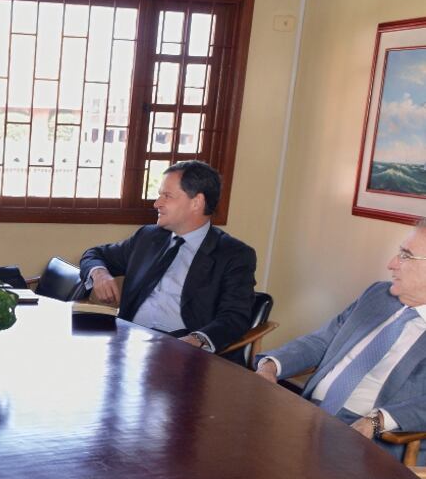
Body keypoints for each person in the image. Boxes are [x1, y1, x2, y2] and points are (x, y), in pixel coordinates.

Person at [256, 221, 426, 463]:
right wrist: (271, 365)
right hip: (309, 413)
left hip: (372, 440)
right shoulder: (378, 295)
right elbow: (323, 340)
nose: (391, 264)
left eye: (405, 256)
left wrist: (376, 420)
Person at [79, 160, 257, 353]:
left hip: (184, 352)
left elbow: (235, 316)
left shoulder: (234, 255)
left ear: (196, 202)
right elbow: (94, 254)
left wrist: (196, 340)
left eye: (167, 196)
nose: (157, 203)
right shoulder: (148, 237)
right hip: (129, 342)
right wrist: (100, 273)